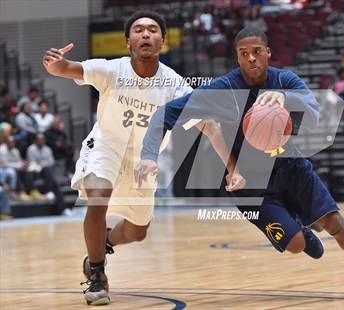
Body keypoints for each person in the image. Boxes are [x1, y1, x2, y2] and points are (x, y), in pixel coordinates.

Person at [138, 26, 344, 297]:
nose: (251, 58)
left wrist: (286, 99)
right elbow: (165, 114)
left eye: (257, 52)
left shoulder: (285, 80)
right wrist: (148, 156)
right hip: (251, 185)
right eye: (244, 53)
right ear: (237, 58)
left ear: (268, 53)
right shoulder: (222, 89)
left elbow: (313, 112)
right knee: (297, 244)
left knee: (334, 222)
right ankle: (301, 229)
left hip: (291, 167)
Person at [42, 10, 245, 306]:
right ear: (128, 42)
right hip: (106, 146)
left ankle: (105, 242)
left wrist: (233, 168)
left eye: (152, 30)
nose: (146, 34)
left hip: (143, 162)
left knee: (137, 232)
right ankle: (97, 276)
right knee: (98, 197)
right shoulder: (112, 70)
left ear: (162, 40)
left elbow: (210, 126)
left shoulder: (174, 85)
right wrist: (54, 63)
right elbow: (67, 68)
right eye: (138, 30)